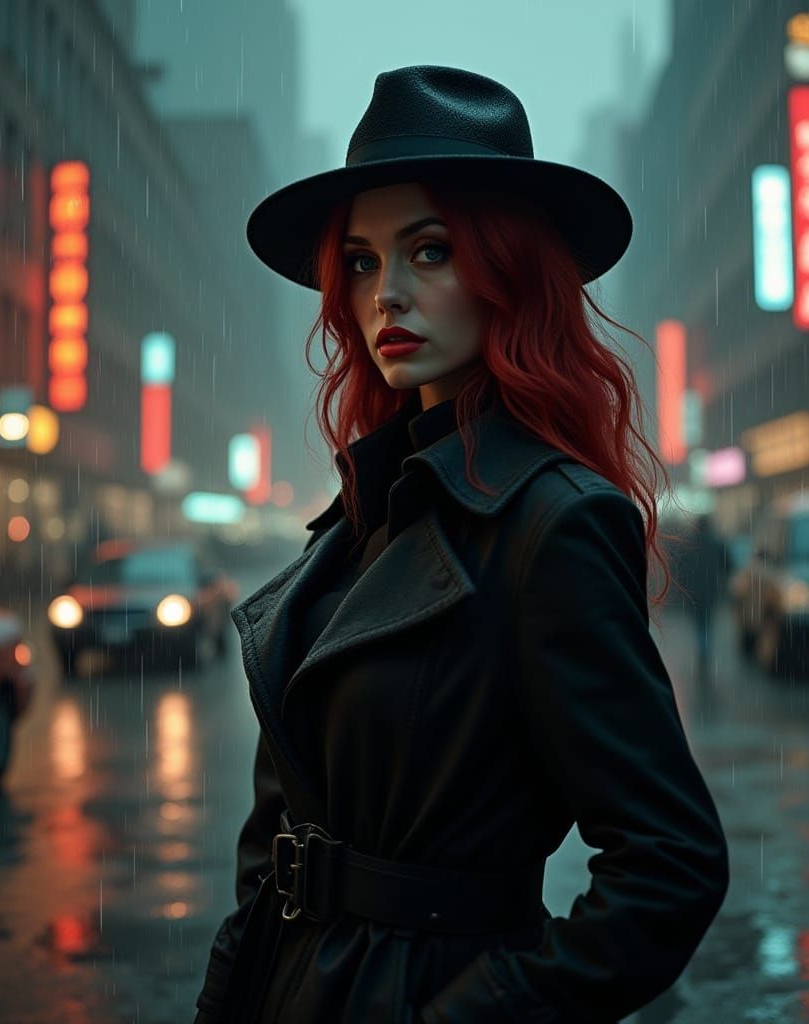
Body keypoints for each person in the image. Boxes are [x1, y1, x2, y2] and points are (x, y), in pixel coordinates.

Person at [194, 66, 729, 1023]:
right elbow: (274, 846)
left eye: (429, 251)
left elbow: (671, 864)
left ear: (508, 272)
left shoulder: (553, 523)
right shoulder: (363, 515)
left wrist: (470, 1014)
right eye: (360, 261)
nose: (386, 294)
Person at [680, 514, 729, 674]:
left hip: (694, 591)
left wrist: (685, 586)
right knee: (707, 622)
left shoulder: (689, 545)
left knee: (699, 622)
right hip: (710, 590)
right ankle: (705, 649)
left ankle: (703, 649)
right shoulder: (716, 544)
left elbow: (682, 569)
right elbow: (728, 565)